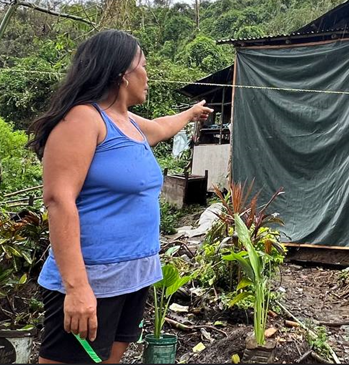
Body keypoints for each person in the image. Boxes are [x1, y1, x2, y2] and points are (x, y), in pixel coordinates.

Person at [27, 30, 212, 364]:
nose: (148, 74)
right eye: (143, 64)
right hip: (93, 280)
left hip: (133, 276)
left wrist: (190, 114)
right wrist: (77, 288)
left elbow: (163, 126)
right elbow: (58, 200)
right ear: (121, 74)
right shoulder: (83, 118)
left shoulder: (129, 122)